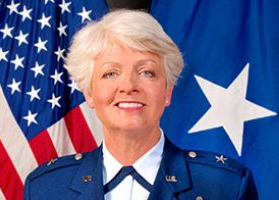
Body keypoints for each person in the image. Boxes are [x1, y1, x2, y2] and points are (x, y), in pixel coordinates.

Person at [24, 9, 258, 200]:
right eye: (110, 73)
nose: (128, 85)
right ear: (89, 93)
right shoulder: (46, 188)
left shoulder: (226, 186)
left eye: (146, 72)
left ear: (168, 91)